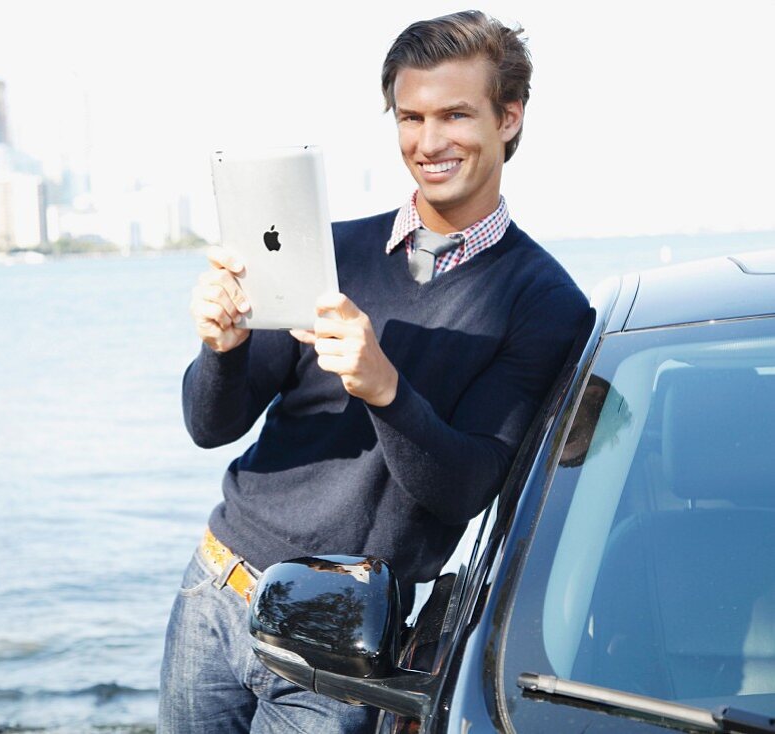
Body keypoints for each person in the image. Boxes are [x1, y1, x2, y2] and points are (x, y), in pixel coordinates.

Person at [160, 10, 590, 734]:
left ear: (509, 118)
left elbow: (463, 488)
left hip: (341, 646)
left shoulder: (546, 305)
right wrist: (222, 348)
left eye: (455, 114)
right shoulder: (330, 251)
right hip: (214, 588)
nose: (428, 142)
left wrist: (384, 389)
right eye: (410, 116)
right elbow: (210, 426)